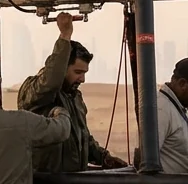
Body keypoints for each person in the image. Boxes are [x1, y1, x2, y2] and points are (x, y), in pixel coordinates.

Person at [17, 13, 127, 172]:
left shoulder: (75, 97)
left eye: (84, 73)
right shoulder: (37, 92)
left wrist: (104, 158)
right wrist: (65, 35)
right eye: (77, 72)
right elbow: (51, 81)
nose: (82, 79)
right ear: (63, 68)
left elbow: (82, 137)